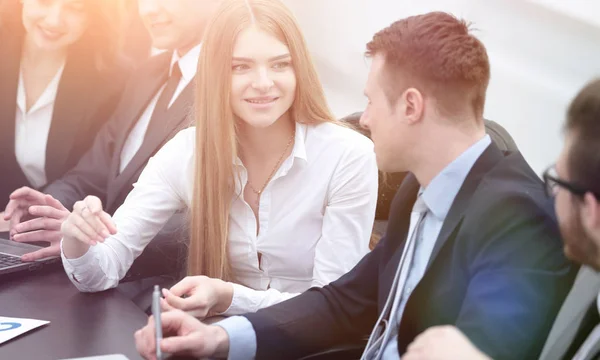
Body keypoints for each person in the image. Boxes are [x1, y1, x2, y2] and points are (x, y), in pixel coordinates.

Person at [133, 11, 577, 360]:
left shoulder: (516, 217)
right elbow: (344, 302)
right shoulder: (419, 193)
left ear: (411, 106)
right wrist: (219, 339)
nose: (363, 120)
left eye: (369, 101)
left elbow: (490, 346)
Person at [58, 0, 377, 318]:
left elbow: (332, 305)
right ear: (214, 74)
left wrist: (230, 298)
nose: (264, 83)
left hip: (316, 346)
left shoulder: (347, 155)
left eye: (280, 64)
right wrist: (76, 239)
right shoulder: (186, 152)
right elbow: (101, 271)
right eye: (241, 66)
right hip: (216, 341)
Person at [2, 0, 221, 292]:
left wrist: (98, 237)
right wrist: (44, 209)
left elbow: (213, 215)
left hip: (167, 288)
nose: (150, 10)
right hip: (96, 273)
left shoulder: (229, 82)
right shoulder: (147, 74)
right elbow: (93, 172)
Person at [401, 79, 600, 360]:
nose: (552, 198)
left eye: (558, 181)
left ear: (592, 212)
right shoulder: (589, 279)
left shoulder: (523, 225)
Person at [0, 0, 129, 209]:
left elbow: (92, 177)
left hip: (55, 224)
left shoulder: (113, 81)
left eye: (74, 9)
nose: (54, 20)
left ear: (93, 18)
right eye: (44, 2)